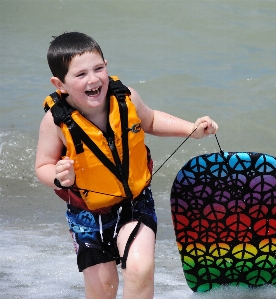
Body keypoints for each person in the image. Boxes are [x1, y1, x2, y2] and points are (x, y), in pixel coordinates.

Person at [34, 32, 218, 299]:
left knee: (140, 269)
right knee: (103, 287)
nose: (93, 79)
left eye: (99, 68)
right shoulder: (55, 122)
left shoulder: (126, 98)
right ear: (59, 84)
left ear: (107, 66)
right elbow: (43, 166)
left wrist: (191, 129)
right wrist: (60, 177)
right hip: (87, 215)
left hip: (135, 201)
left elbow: (152, 120)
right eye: (81, 74)